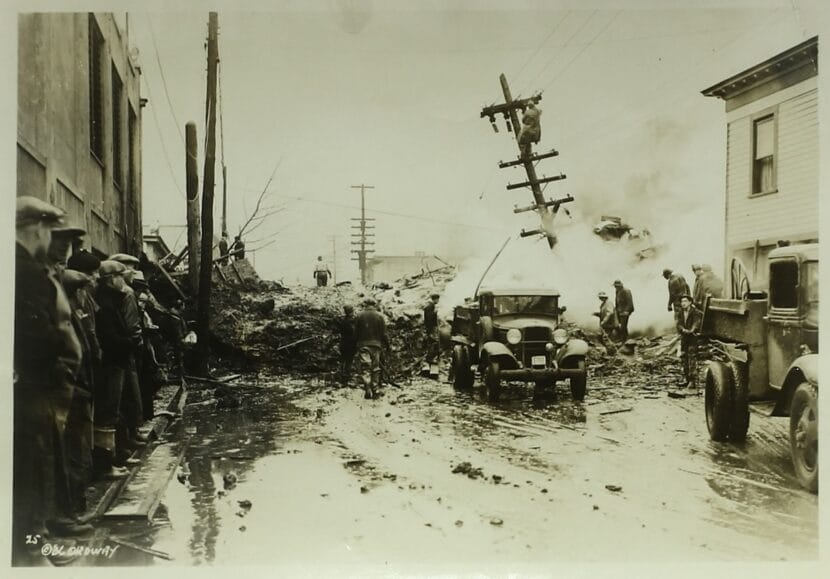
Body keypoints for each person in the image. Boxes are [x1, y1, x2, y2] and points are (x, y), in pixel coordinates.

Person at [13, 197, 83, 561]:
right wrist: (56, 350)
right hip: (33, 386)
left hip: (39, 383)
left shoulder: (31, 270)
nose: (55, 242)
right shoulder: (24, 271)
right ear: (36, 229)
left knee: (40, 465)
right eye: (52, 233)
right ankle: (32, 550)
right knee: (32, 469)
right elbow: (36, 335)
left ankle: (39, 537)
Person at [95, 260, 144, 473]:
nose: (123, 281)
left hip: (117, 361)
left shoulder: (111, 300)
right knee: (108, 413)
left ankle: (118, 456)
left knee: (117, 410)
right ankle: (106, 463)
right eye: (120, 277)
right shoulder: (106, 303)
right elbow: (111, 337)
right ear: (111, 279)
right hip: (112, 363)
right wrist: (130, 343)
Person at [354, 298, 388, 399]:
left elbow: (356, 332)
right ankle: (375, 388)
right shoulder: (380, 316)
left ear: (365, 304)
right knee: (375, 367)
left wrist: (356, 344)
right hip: (376, 345)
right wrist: (387, 345)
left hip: (363, 345)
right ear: (374, 305)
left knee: (365, 367)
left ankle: (367, 387)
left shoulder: (359, 315)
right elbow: (384, 333)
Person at [676, 295, 702, 387]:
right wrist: (683, 330)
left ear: (690, 302)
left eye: (685, 301)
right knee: (684, 358)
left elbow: (697, 323)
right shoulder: (680, 312)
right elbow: (678, 324)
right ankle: (687, 379)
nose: (683, 303)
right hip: (684, 338)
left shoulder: (695, 312)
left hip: (692, 338)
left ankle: (692, 381)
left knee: (692, 358)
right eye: (682, 301)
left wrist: (691, 330)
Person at [337, 304, 357, 386]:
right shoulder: (351, 322)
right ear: (351, 312)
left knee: (343, 361)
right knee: (349, 362)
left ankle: (341, 378)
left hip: (343, 344)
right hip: (350, 345)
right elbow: (353, 333)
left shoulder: (343, 321)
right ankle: (346, 379)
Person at [423, 293, 440, 363]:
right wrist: (435, 313)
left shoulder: (429, 305)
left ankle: (431, 358)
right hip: (431, 327)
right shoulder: (430, 306)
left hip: (429, 327)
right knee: (433, 342)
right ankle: (430, 358)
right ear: (435, 299)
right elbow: (429, 317)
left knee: (432, 342)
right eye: (438, 299)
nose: (438, 301)